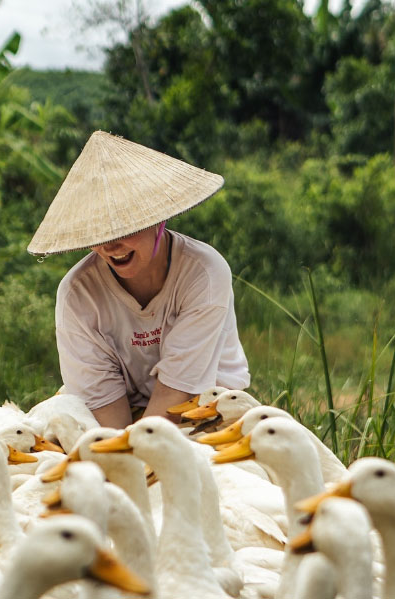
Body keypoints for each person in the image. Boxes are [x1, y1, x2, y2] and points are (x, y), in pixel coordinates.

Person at [28, 131, 250, 428]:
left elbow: (176, 392)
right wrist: (122, 458)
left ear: (157, 220)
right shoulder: (77, 295)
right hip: (127, 410)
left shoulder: (203, 273)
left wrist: (136, 455)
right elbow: (105, 412)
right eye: (99, 234)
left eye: (124, 230)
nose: (111, 246)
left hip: (204, 405)